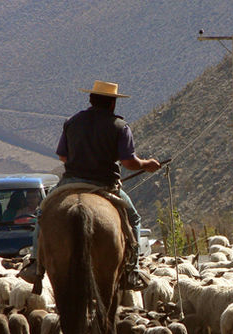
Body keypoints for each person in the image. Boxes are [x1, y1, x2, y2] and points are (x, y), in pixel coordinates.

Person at [20, 80, 160, 290]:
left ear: (91, 100)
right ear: (112, 104)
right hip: (105, 184)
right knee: (134, 219)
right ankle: (133, 269)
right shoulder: (120, 126)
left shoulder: (72, 122)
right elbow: (129, 163)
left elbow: (63, 156)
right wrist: (147, 164)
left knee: (42, 213)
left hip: (70, 182)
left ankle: (35, 263)